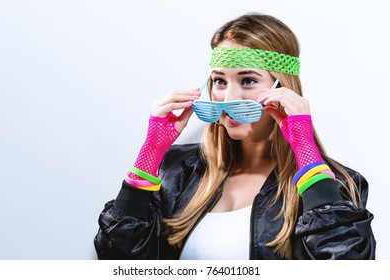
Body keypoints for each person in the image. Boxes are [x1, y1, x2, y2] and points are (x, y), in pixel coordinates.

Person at [94, 13, 375, 260]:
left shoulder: (337, 184)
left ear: (283, 88)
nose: (227, 99)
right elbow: (117, 259)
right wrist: (150, 152)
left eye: (248, 80)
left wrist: (305, 150)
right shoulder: (176, 170)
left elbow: (346, 262)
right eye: (219, 81)